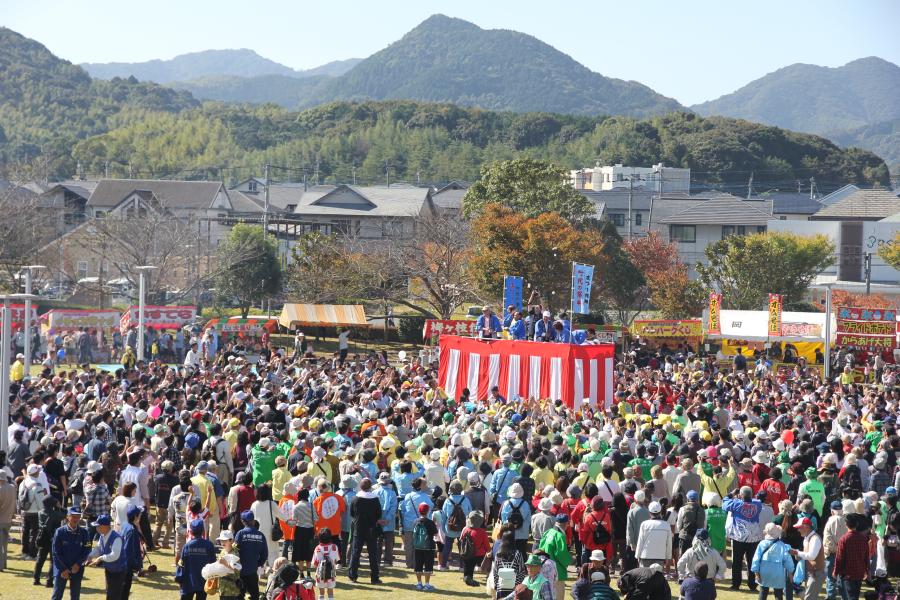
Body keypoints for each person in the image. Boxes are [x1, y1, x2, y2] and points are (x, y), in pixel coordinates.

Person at [50, 507, 91, 600]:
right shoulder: (59, 532)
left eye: (78, 516)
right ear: (68, 517)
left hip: (77, 568)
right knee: (57, 595)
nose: (76, 519)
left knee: (75, 596)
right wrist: (63, 569)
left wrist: (78, 564)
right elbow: (56, 553)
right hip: (61, 568)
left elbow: (87, 549)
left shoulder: (84, 532)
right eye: (73, 516)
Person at [347, 477, 383, 584]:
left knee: (355, 553)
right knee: (373, 554)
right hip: (371, 528)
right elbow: (379, 515)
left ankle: (353, 575)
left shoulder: (355, 498)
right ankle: (374, 577)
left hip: (359, 528)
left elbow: (352, 514)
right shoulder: (375, 499)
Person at [85, 515, 127, 600]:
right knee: (109, 593)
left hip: (119, 571)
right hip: (109, 570)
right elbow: (99, 548)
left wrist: (100, 558)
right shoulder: (102, 536)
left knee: (114, 595)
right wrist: (90, 556)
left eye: (98, 526)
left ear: (105, 526)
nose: (96, 528)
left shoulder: (116, 538)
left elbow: (115, 555)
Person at [750, 523, 795, 600]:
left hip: (764, 571)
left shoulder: (762, 544)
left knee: (763, 592)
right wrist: (791, 572)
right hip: (778, 573)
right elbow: (788, 560)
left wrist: (756, 572)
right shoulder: (782, 545)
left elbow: (756, 559)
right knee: (778, 594)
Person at [833, 513, 871, 600]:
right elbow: (866, 557)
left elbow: (839, 558)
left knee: (849, 597)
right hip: (859, 573)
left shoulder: (843, 539)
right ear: (857, 524)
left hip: (847, 574)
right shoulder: (863, 538)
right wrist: (867, 570)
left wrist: (835, 571)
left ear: (846, 524)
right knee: (855, 596)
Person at [177, 518, 217, 600]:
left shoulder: (187, 546)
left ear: (191, 531)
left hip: (188, 582)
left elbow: (181, 564)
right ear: (203, 531)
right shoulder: (209, 545)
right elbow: (213, 564)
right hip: (203, 581)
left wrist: (179, 578)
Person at [235, 510, 268, 600]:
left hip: (240, 571)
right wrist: (257, 564)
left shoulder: (240, 534)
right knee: (254, 595)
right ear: (253, 521)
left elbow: (235, 552)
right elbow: (265, 554)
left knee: (239, 595)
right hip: (253, 570)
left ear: (242, 521)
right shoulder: (261, 535)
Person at [35, 497, 68, 587]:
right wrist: (59, 507)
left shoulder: (40, 512)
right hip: (53, 538)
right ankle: (49, 581)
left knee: (40, 559)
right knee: (53, 561)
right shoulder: (55, 514)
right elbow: (65, 514)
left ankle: (36, 578)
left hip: (43, 538)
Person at [790, 516, 825, 600]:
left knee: (809, 597)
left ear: (806, 527)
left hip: (816, 573)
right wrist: (798, 554)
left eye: (799, 527)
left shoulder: (815, 539)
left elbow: (812, 556)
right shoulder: (806, 538)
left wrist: (797, 552)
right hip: (810, 571)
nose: (798, 530)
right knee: (808, 597)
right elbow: (806, 555)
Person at [537, 513, 570, 599]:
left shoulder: (548, 532)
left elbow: (541, 548)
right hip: (557, 569)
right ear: (566, 524)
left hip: (545, 566)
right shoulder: (559, 536)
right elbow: (561, 554)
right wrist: (568, 561)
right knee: (558, 594)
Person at [634, 500, 672, 569]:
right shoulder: (666, 525)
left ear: (649, 512)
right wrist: (668, 557)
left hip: (645, 556)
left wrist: (637, 555)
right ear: (660, 512)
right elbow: (669, 543)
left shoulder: (644, 524)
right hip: (660, 557)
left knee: (645, 578)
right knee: (656, 578)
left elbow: (640, 541)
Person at [412, 501, 438, 591]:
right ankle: (427, 585)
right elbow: (435, 533)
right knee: (428, 566)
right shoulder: (430, 522)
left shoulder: (415, 521)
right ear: (427, 511)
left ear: (419, 511)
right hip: (429, 546)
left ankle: (419, 584)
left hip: (417, 546)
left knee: (418, 565)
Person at [460, 511, 490, 586]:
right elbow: (487, 545)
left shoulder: (465, 529)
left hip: (465, 552)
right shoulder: (482, 531)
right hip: (477, 554)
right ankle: (470, 578)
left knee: (467, 565)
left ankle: (467, 577)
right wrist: (489, 551)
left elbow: (461, 539)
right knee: (473, 564)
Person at [311, 528, 340, 600]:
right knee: (330, 591)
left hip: (320, 573)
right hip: (331, 573)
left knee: (321, 592)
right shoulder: (334, 547)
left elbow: (315, 563)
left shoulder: (317, 548)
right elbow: (336, 560)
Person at [0, 471, 15, 572]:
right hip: (8, 519)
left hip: (0, 520)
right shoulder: (12, 488)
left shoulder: (0, 489)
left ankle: (0, 566)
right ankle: (4, 564)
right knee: (4, 544)